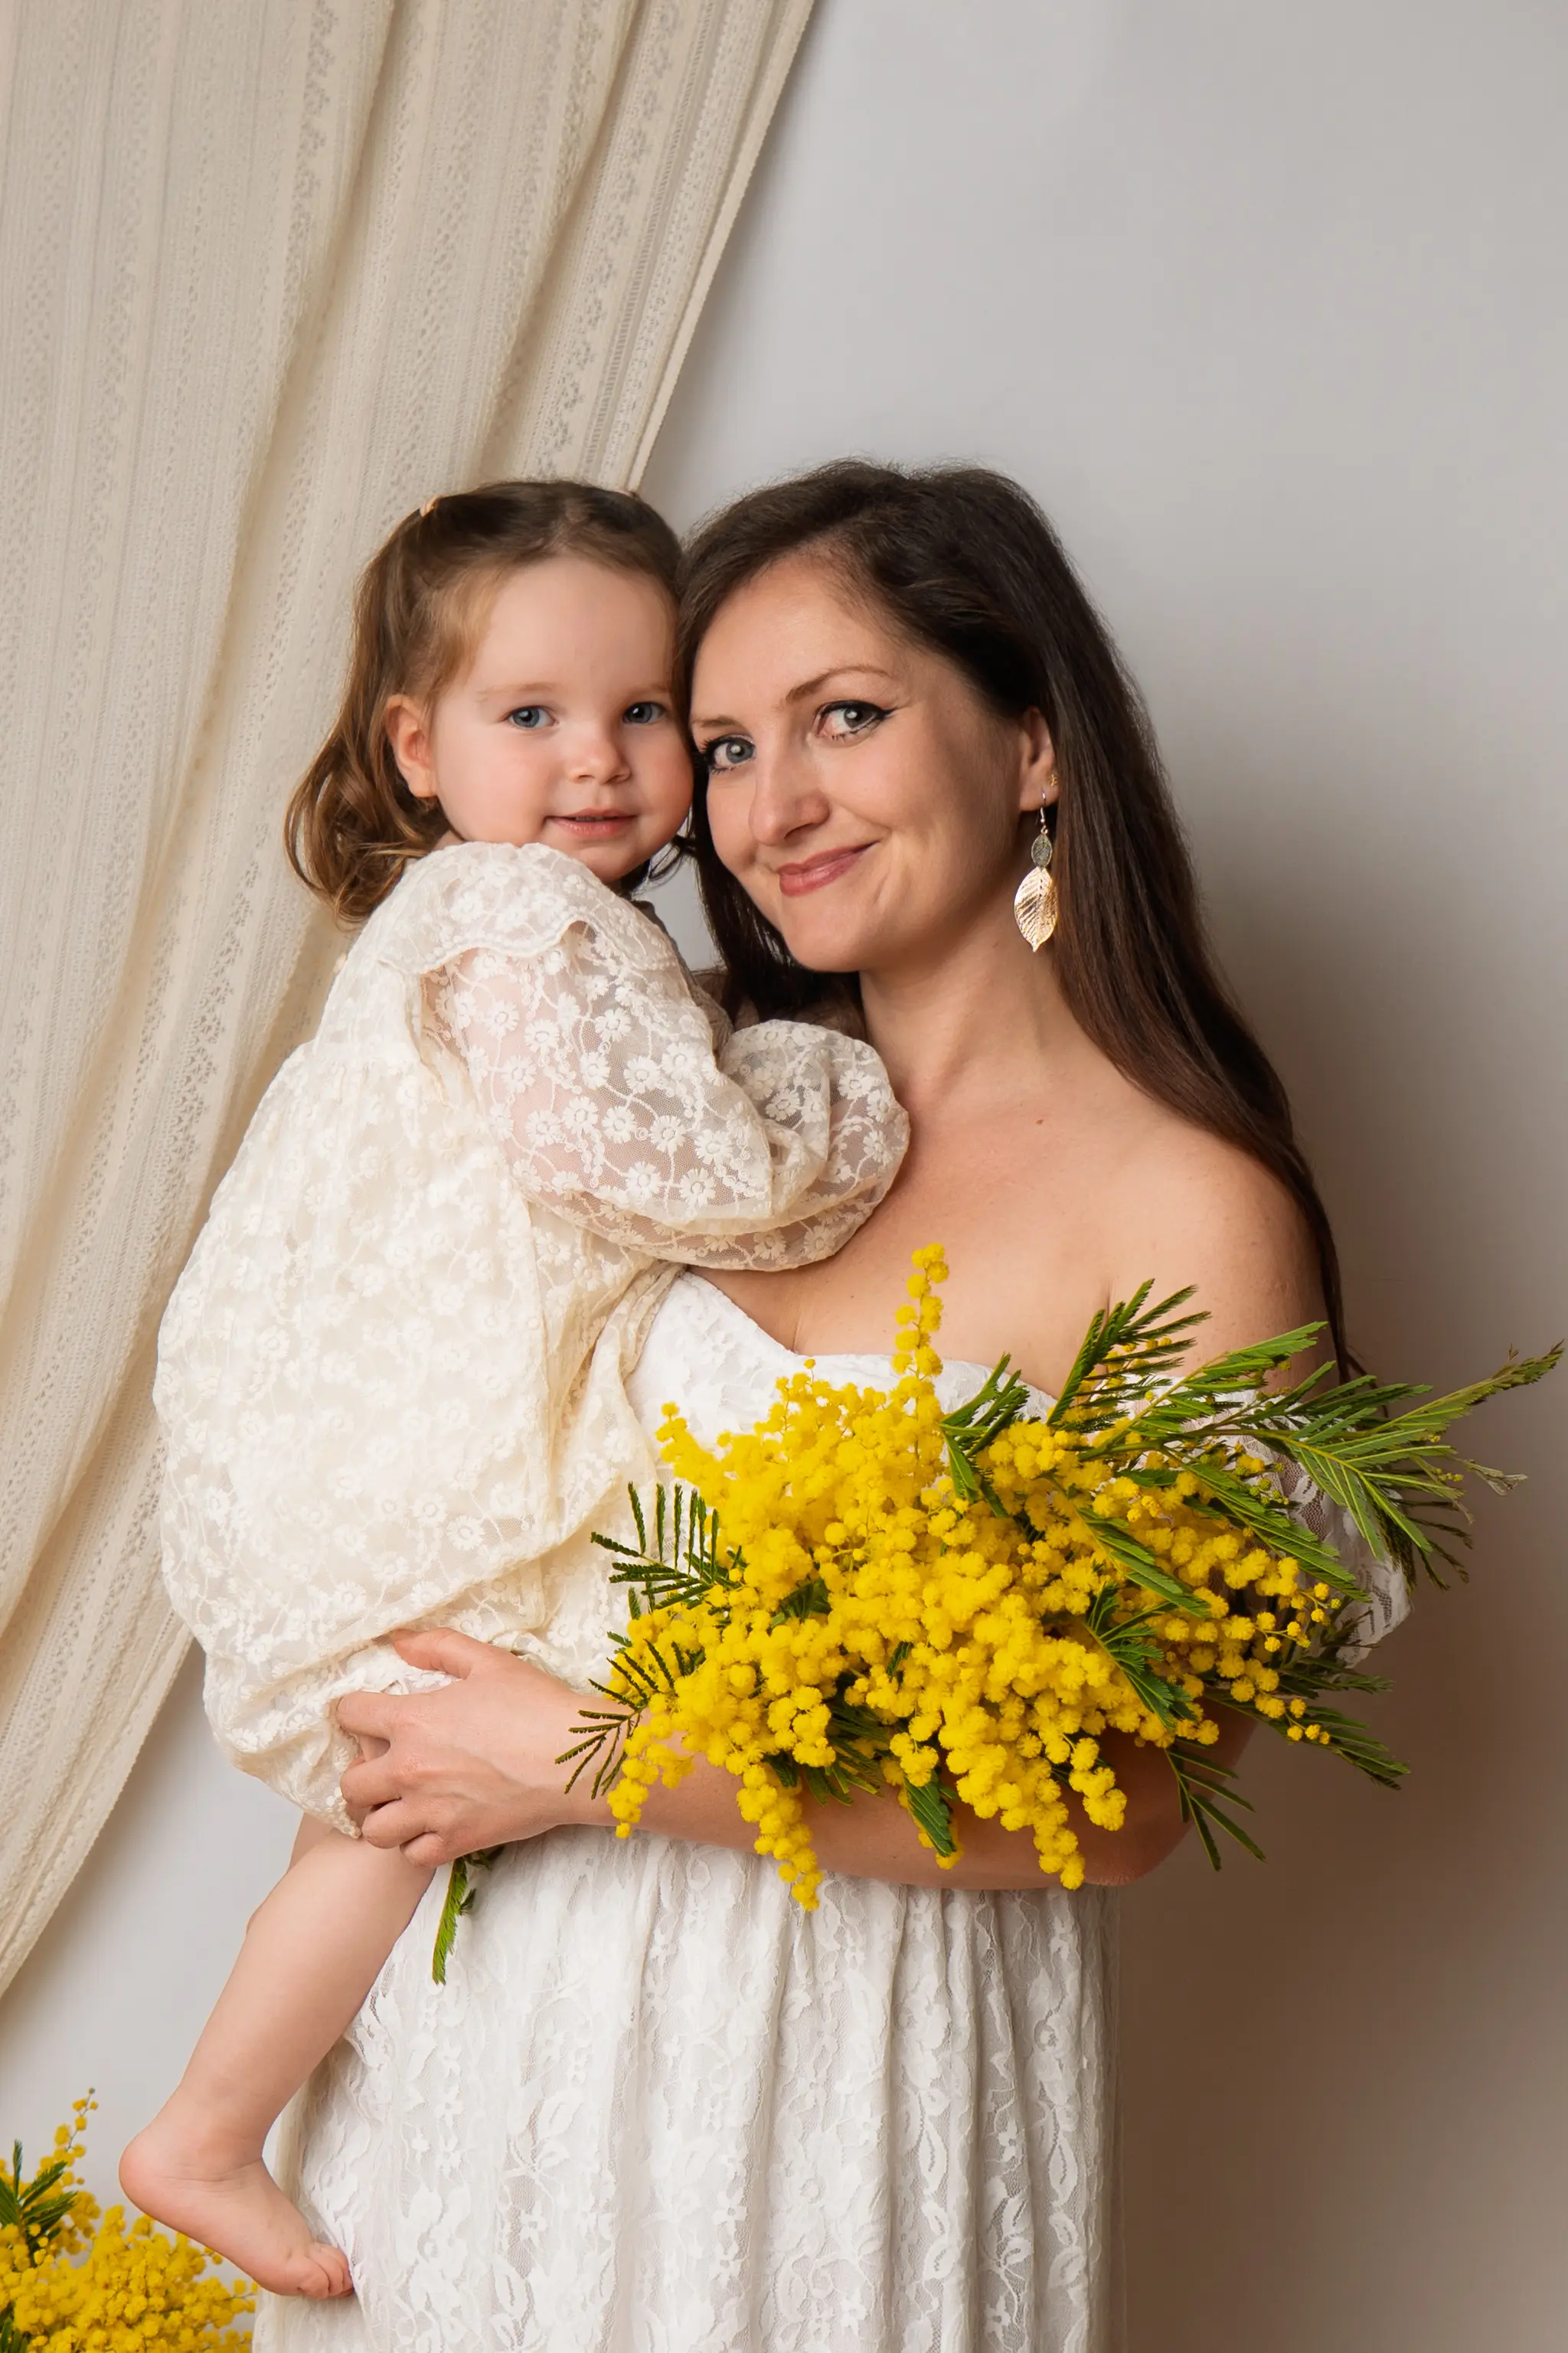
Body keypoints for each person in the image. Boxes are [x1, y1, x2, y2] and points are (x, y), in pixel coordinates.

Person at [256, 462, 1405, 2353]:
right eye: (718, 744)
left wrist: (590, 1763)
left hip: (841, 2076)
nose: (768, 805)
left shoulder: (1181, 1206)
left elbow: (1118, 1803)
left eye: (843, 718)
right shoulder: (678, 1089)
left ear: (1033, 743)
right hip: (478, 2042)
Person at [119, 479, 909, 2299]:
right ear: (416, 745)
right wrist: (833, 1091)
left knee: (376, 1800)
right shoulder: (522, 919)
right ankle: (206, 2131)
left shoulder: (502, 922)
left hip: (356, 1410)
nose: (600, 763)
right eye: (530, 715)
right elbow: (665, 1175)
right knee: (410, 1784)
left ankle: (210, 2121)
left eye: (645, 712)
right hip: (417, 1438)